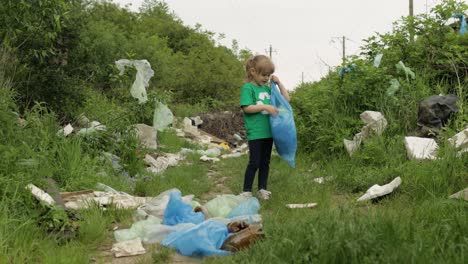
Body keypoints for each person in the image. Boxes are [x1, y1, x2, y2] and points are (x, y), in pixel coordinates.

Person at [239, 55, 290, 200]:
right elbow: (247, 108)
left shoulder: (269, 89)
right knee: (254, 162)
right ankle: (246, 191)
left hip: (269, 132)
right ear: (253, 72)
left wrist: (279, 84)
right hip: (256, 132)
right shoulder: (248, 88)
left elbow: (286, 100)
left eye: (269, 75)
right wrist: (266, 106)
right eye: (263, 75)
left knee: (265, 162)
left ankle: (262, 189)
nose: (266, 78)